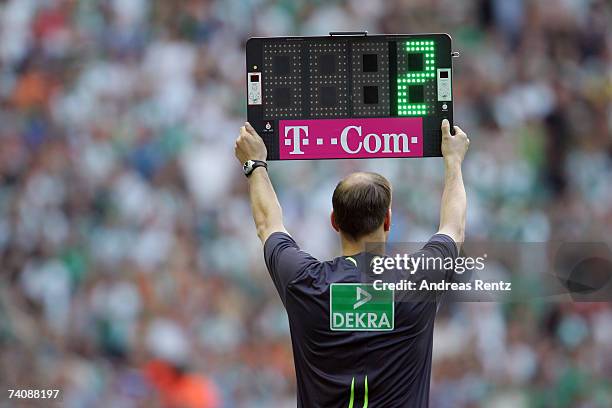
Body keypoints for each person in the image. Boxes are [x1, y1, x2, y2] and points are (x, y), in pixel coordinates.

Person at [234, 119, 469, 407]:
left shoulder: (305, 282)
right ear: (388, 221)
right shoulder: (417, 281)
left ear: (334, 222)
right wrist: (454, 160)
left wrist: (254, 164)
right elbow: (453, 228)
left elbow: (267, 224)